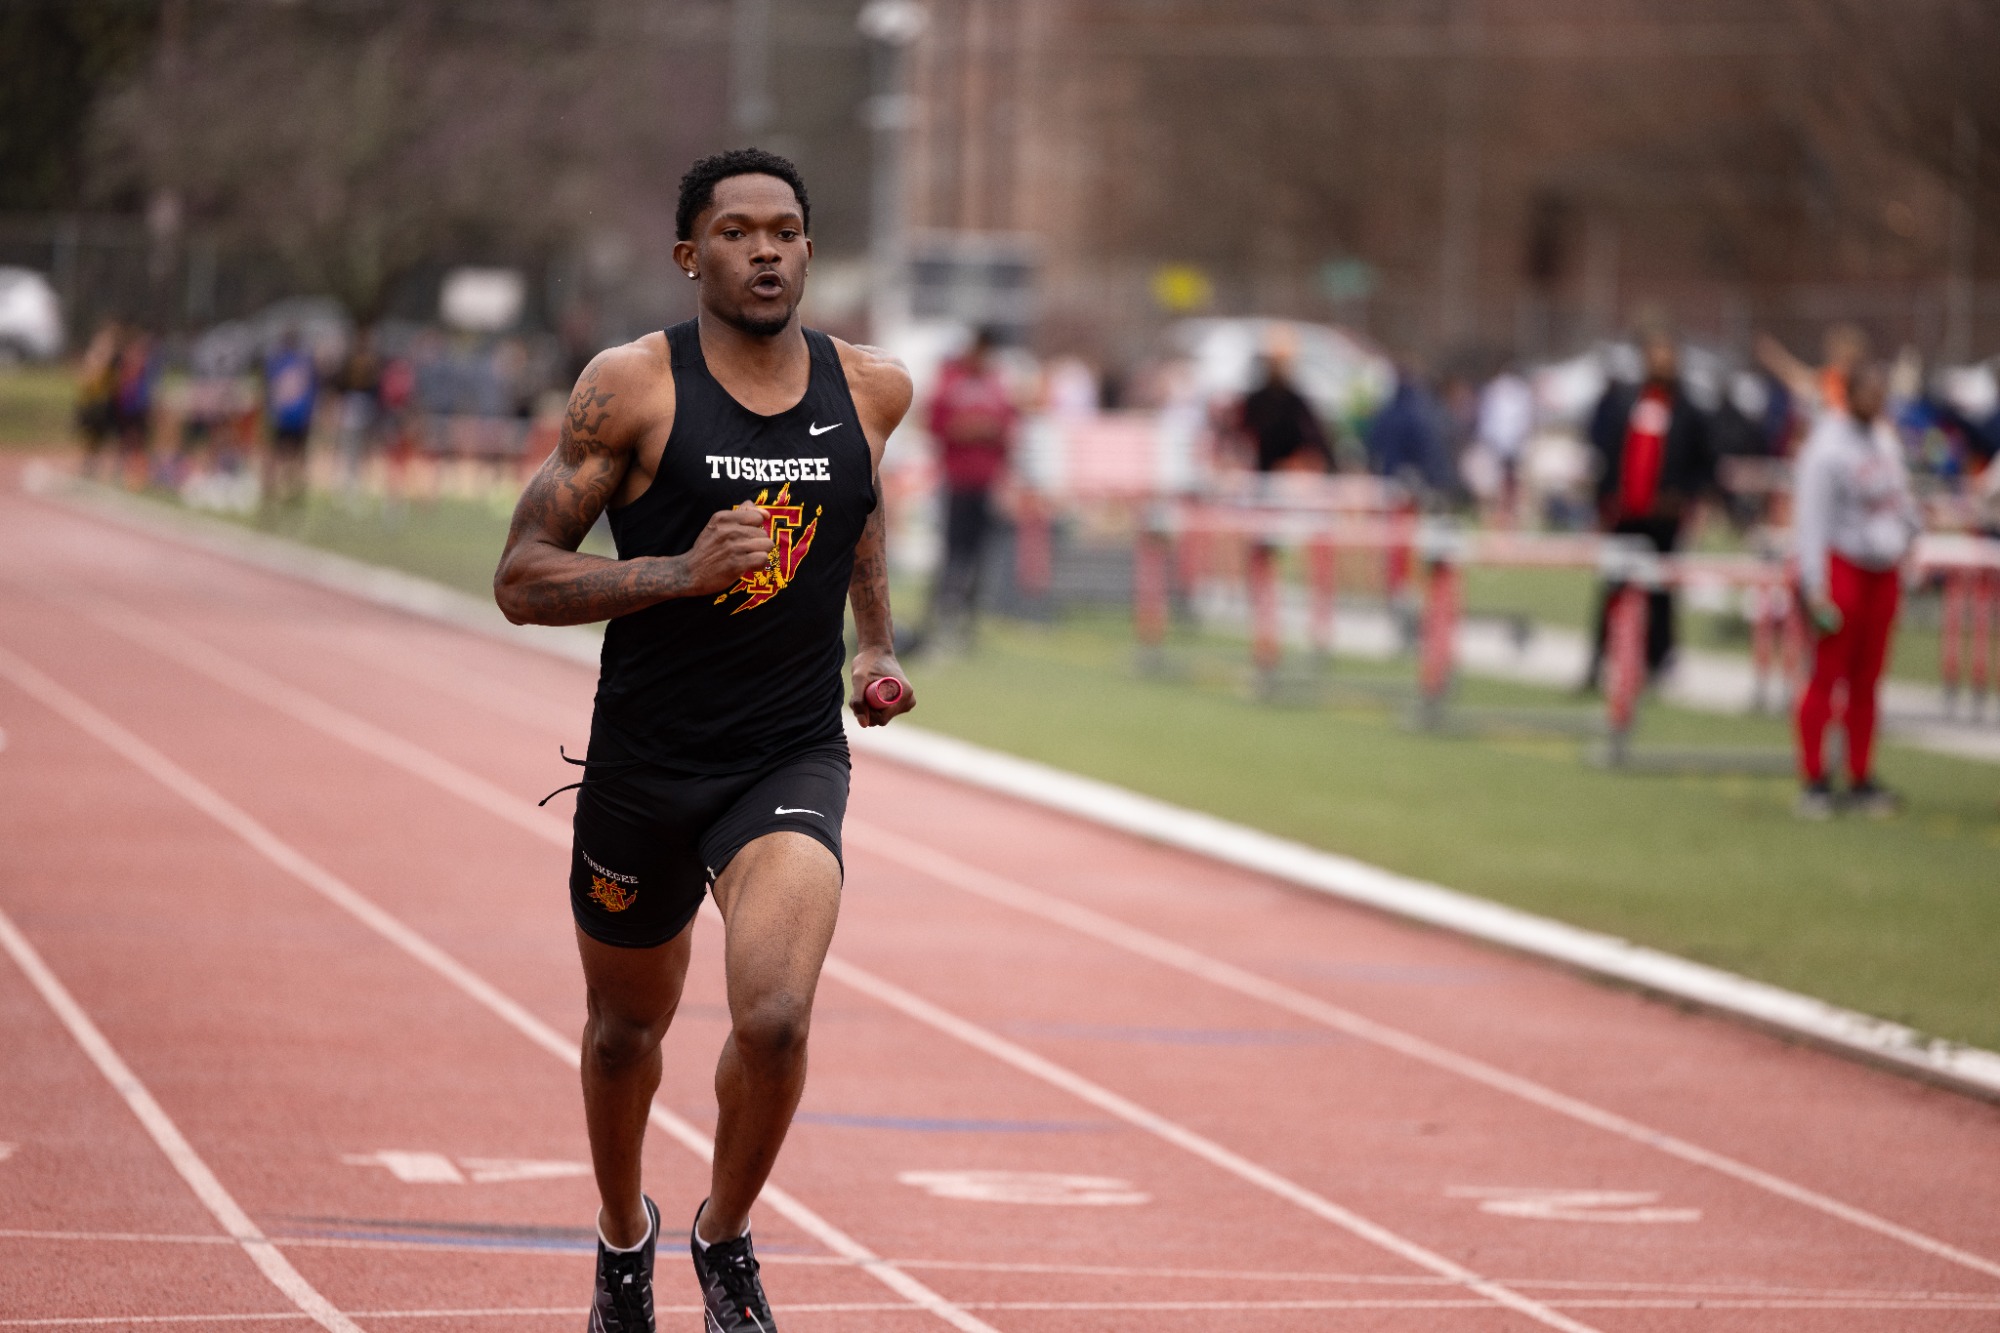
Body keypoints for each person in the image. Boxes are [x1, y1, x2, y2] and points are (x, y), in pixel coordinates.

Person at [492, 148, 915, 1333]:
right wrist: (682, 570)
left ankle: (721, 1236)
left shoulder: (871, 387)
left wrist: (871, 651)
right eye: (736, 231)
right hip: (642, 764)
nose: (766, 249)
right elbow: (520, 578)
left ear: (809, 249)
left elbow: (854, 512)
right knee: (627, 1030)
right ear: (690, 254)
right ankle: (622, 1239)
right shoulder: (630, 390)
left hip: (783, 756)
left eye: (785, 229)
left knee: (773, 1014)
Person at [1791, 362, 1920, 818]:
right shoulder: (1826, 448)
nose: (1877, 399)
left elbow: (1901, 501)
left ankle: (1860, 774)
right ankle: (1814, 778)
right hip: (1840, 565)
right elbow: (1811, 520)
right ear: (1848, 395)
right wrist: (1814, 585)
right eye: (1868, 391)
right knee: (1827, 675)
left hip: (1880, 570)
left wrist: (1909, 543)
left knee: (1868, 680)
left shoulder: (1885, 440)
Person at [1582, 328, 1716, 689]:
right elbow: (1606, 452)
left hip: (1664, 516)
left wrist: (1685, 497)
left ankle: (1659, 662)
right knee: (1613, 587)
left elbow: (1705, 464)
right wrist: (1602, 499)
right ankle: (1598, 661)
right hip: (1625, 513)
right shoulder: (1626, 401)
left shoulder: (1689, 410)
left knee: (1661, 595)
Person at [918, 326, 1018, 650]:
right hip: (955, 480)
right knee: (951, 552)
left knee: (980, 555)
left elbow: (1009, 429)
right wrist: (969, 429)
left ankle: (968, 622)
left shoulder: (996, 383)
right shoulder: (950, 380)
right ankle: (939, 617)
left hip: (986, 483)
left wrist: (991, 433)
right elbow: (934, 425)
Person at [1240, 348, 1331, 474]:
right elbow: (1244, 440)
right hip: (1259, 476)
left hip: (1289, 480)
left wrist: (1294, 463)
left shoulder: (1296, 404)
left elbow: (1314, 448)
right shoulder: (1255, 402)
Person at [262, 329, 318, 505]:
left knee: (278, 457)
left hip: (285, 416)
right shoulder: (304, 363)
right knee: (296, 458)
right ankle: (292, 492)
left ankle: (275, 493)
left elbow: (270, 390)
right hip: (297, 417)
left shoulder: (278, 362)